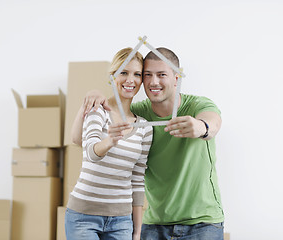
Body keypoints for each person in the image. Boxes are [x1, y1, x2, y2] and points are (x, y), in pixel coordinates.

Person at [74, 47, 224, 240]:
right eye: (147, 75)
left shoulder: (197, 106)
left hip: (202, 223)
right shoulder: (137, 116)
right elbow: (80, 140)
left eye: (162, 75)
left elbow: (213, 122)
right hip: (154, 224)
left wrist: (201, 127)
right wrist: (93, 96)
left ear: (176, 78)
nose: (154, 82)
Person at [65, 47, 153, 240]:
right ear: (113, 76)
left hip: (121, 221)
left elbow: (137, 181)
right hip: (83, 216)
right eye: (124, 72)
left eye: (137, 74)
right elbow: (90, 152)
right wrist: (110, 141)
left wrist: (137, 231)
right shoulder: (99, 110)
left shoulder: (145, 128)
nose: (130, 80)